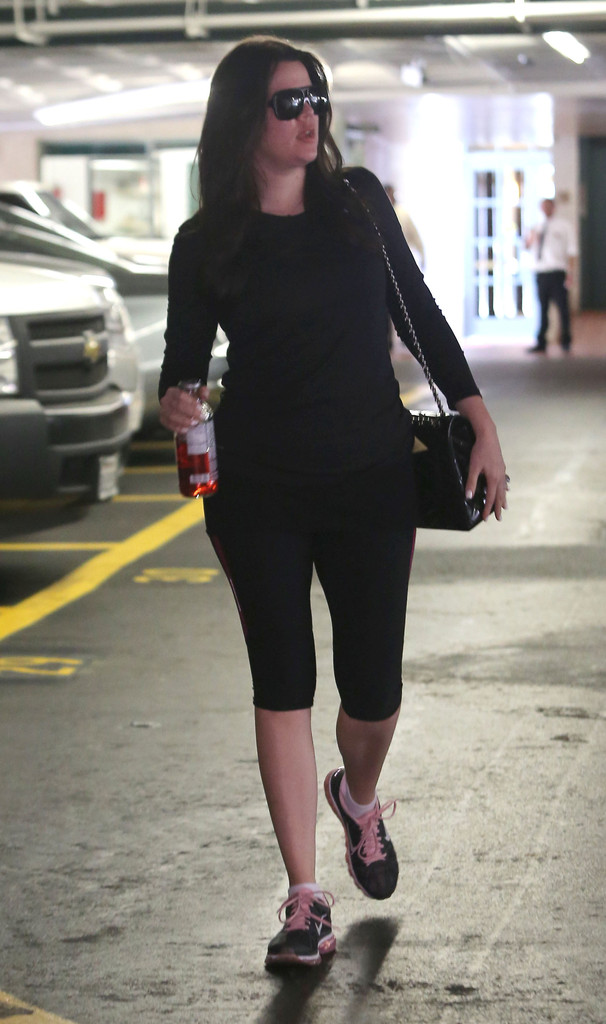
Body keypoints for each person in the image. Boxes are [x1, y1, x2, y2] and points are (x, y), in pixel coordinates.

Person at [159, 35, 508, 970]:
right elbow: (181, 370)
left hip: (369, 478)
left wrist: (479, 419)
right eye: (288, 103)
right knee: (282, 681)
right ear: (244, 119)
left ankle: (358, 798)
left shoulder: (358, 205)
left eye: (315, 98)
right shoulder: (204, 241)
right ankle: (305, 899)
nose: (309, 116)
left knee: (374, 695)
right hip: (257, 489)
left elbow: (420, 316)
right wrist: (178, 404)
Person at [525, 197, 577, 353]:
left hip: (557, 272)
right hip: (541, 271)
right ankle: (541, 340)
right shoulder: (536, 227)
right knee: (543, 308)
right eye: (543, 207)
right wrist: (531, 238)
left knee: (563, 307)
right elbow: (527, 247)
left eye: (549, 207)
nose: (546, 210)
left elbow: (572, 251)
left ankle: (566, 340)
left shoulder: (563, 226)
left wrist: (570, 273)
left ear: (554, 208)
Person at [384, 183, 425, 269]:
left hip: (405, 259)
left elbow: (415, 236)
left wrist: (422, 256)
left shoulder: (402, 214)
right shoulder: (382, 215)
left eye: (390, 194)